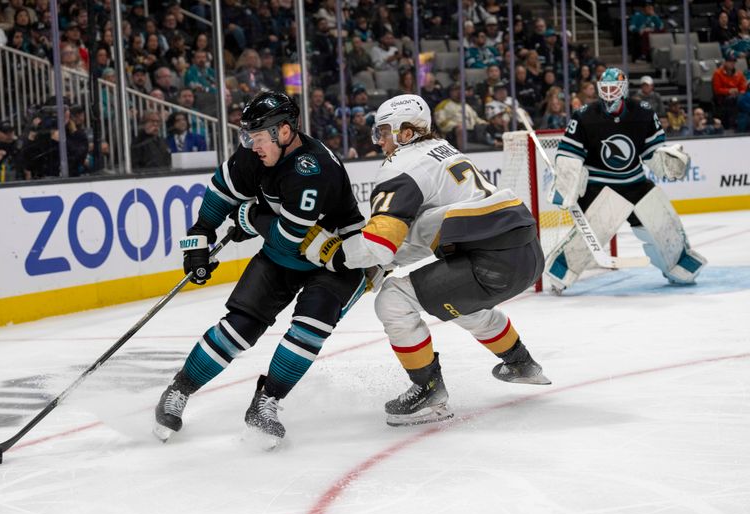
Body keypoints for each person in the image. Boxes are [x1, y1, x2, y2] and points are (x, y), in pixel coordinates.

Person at [300, 94, 550, 427]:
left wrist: (332, 253)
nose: (381, 141)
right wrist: (385, 262)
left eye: (385, 132)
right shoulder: (443, 151)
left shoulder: (401, 165)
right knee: (460, 303)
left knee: (393, 299)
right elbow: (425, 232)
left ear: (406, 132)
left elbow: (379, 242)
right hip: (526, 253)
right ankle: (521, 363)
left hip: (491, 262)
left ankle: (428, 390)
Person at [153, 91, 365, 445]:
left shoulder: (311, 170)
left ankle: (266, 402)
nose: (251, 145)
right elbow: (221, 191)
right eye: (248, 136)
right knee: (239, 328)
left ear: (284, 132)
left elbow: (287, 238)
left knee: (308, 329)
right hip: (287, 254)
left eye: (258, 136)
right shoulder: (258, 153)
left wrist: (249, 216)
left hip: (335, 257)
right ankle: (179, 390)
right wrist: (200, 234)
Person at [545, 68, 706, 294]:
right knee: (593, 232)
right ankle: (560, 271)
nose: (609, 93)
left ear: (623, 89)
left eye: (614, 88)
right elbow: (570, 155)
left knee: (662, 224)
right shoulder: (584, 115)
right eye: (605, 88)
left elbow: (651, 152)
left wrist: (665, 161)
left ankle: (676, 265)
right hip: (600, 185)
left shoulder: (643, 112)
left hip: (635, 182)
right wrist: (566, 182)